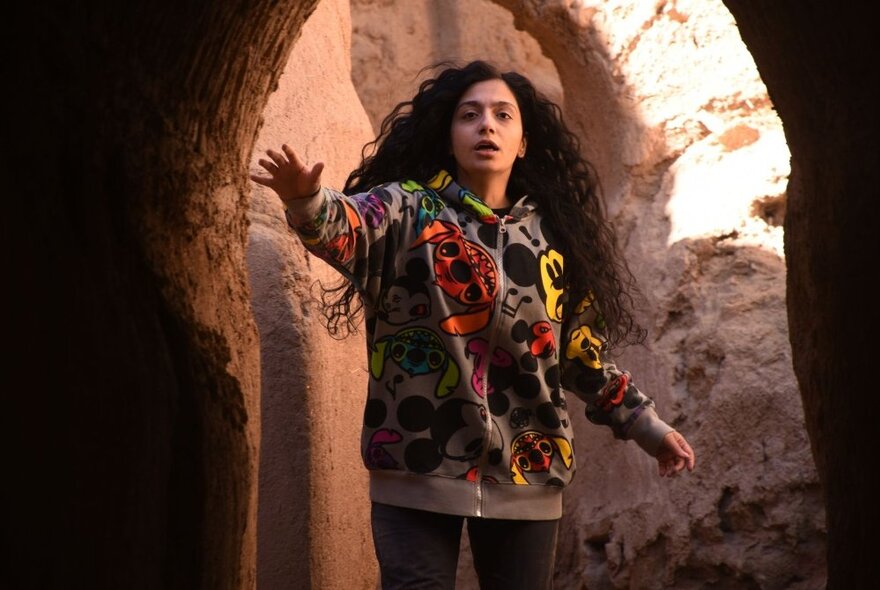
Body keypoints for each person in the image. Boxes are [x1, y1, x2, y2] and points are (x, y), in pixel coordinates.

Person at [251, 60, 695, 590]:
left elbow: (581, 355)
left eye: (502, 115)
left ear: (523, 141)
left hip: (530, 474)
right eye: (470, 115)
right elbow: (346, 227)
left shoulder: (557, 240)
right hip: (414, 466)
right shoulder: (408, 211)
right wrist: (305, 200)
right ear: (449, 134)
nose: (486, 125)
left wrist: (648, 428)